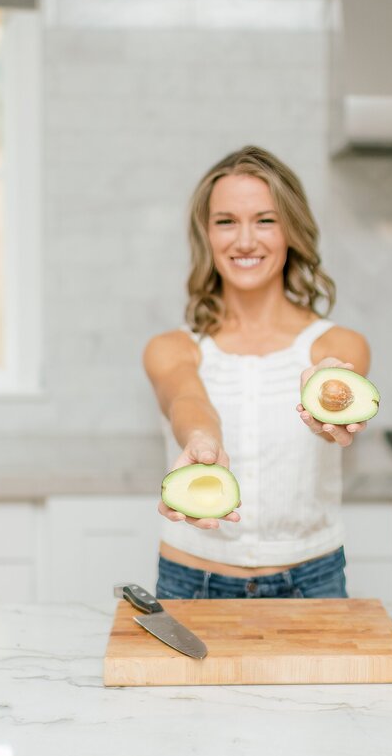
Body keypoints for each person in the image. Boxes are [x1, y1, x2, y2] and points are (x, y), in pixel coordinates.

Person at [143, 145, 372, 600]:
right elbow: (187, 399)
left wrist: (327, 392)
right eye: (226, 221)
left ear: (291, 231)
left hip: (313, 582)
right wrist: (201, 443)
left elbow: (333, 419)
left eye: (265, 220)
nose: (244, 240)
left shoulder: (338, 345)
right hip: (191, 582)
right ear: (206, 234)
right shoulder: (171, 348)